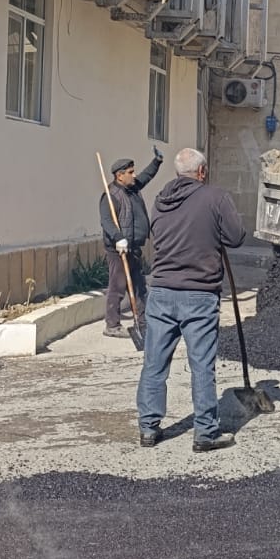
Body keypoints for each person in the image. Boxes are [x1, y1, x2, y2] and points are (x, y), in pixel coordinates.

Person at [136, 147, 245, 451]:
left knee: (154, 363)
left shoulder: (160, 200)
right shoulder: (216, 198)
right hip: (199, 294)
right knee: (202, 366)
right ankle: (205, 433)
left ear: (176, 173)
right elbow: (236, 237)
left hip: (161, 293)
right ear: (201, 172)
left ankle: (148, 428)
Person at [100, 149, 163, 338]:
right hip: (118, 250)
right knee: (117, 286)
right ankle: (112, 325)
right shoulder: (110, 196)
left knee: (139, 287)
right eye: (130, 172)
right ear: (119, 175)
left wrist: (157, 161)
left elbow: (146, 176)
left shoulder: (132, 188)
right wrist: (118, 237)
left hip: (133, 248)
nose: (134, 175)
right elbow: (106, 221)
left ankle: (143, 322)